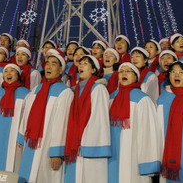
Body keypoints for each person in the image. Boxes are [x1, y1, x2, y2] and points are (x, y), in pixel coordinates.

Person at [18, 51, 73, 183]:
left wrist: (56, 152)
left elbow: (62, 124)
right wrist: (21, 138)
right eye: (47, 63)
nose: (48, 66)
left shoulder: (65, 92)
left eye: (53, 64)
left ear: (61, 69)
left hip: (47, 146)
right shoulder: (37, 89)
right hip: (31, 143)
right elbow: (26, 115)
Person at [108, 62, 161, 182]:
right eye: (121, 71)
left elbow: (149, 132)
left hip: (134, 153)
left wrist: (148, 162)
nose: (124, 74)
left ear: (136, 77)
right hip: (112, 155)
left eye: (128, 71)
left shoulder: (143, 99)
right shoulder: (111, 97)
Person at [64, 55, 111, 183]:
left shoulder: (99, 89)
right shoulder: (73, 90)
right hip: (75, 143)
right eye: (80, 63)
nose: (81, 66)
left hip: (89, 144)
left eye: (85, 63)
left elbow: (99, 118)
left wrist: (85, 139)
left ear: (94, 70)